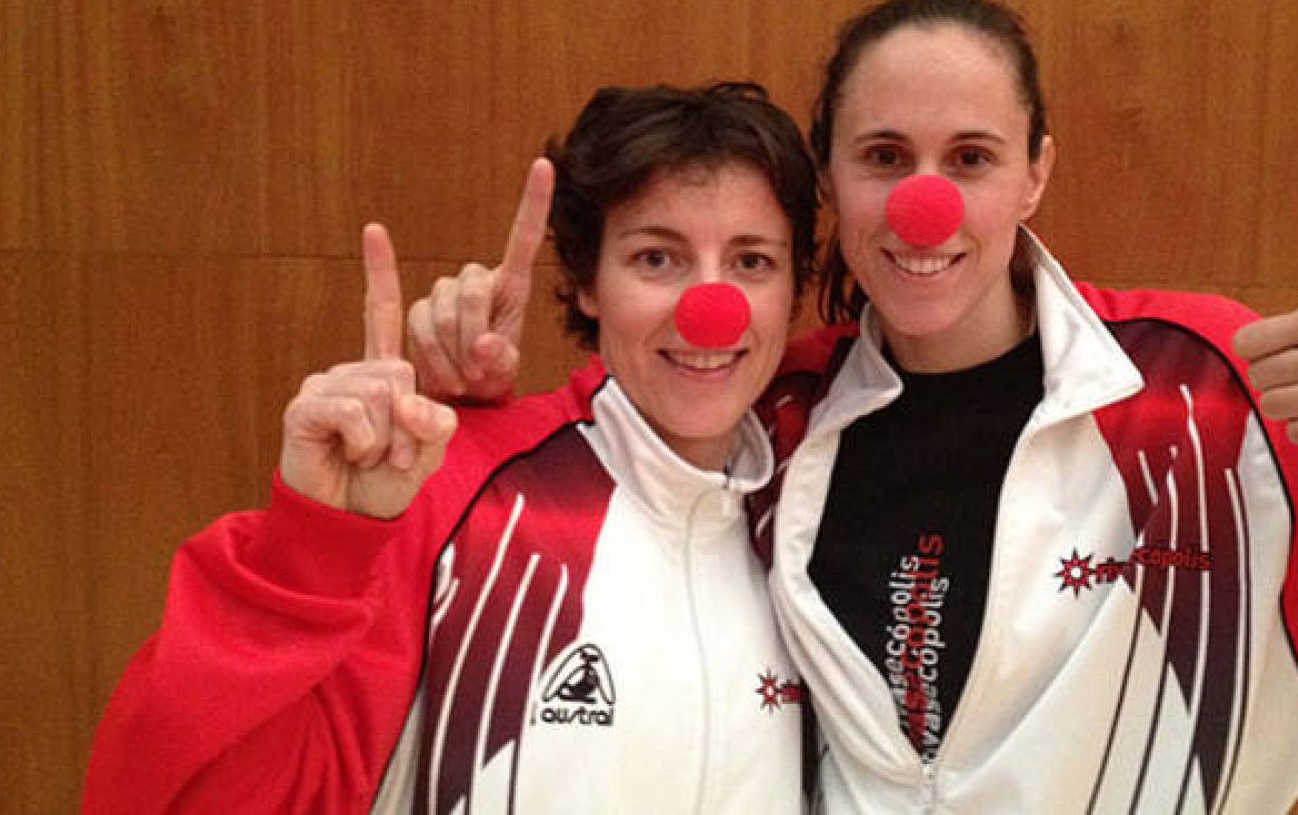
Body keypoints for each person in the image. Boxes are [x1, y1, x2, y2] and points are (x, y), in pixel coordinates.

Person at [406, 0, 1298, 812]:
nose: (925, 206)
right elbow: (615, 448)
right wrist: (473, 393)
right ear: (834, 184)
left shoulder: (1218, 400)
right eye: (882, 156)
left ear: (1036, 172)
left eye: (969, 157)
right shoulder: (773, 415)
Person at [82, 81, 821, 814]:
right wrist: (311, 541)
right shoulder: (450, 486)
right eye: (657, 259)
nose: (710, 311)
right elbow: (184, 794)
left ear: (793, 291)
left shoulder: (812, 499)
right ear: (588, 284)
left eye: (752, 261)